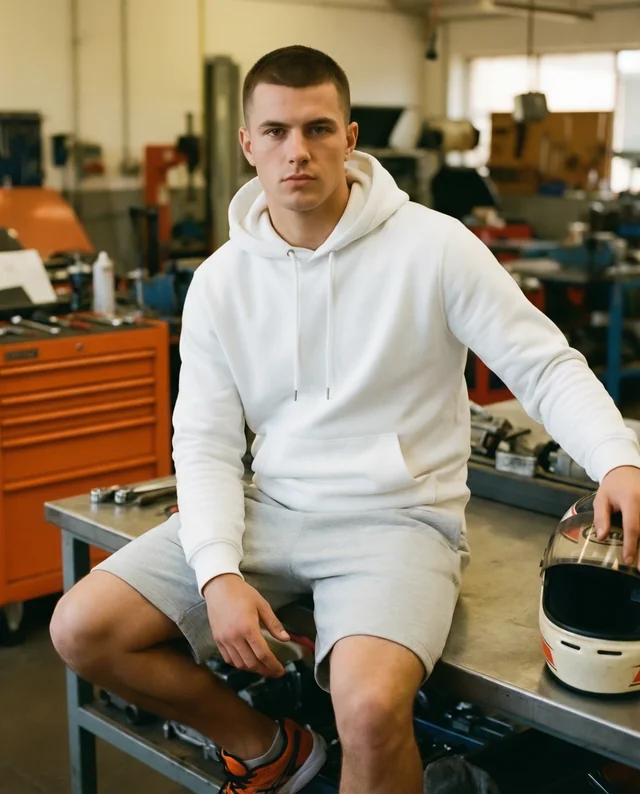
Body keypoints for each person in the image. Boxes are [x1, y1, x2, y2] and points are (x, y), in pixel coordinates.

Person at [50, 45, 640, 794]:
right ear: (248, 145)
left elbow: (543, 364)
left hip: (396, 524)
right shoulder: (222, 282)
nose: (298, 151)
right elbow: (201, 441)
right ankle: (272, 752)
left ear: (351, 138)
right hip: (273, 508)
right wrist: (218, 570)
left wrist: (617, 460)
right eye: (276, 132)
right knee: (81, 629)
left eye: (318, 129)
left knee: (366, 710)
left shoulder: (435, 246)